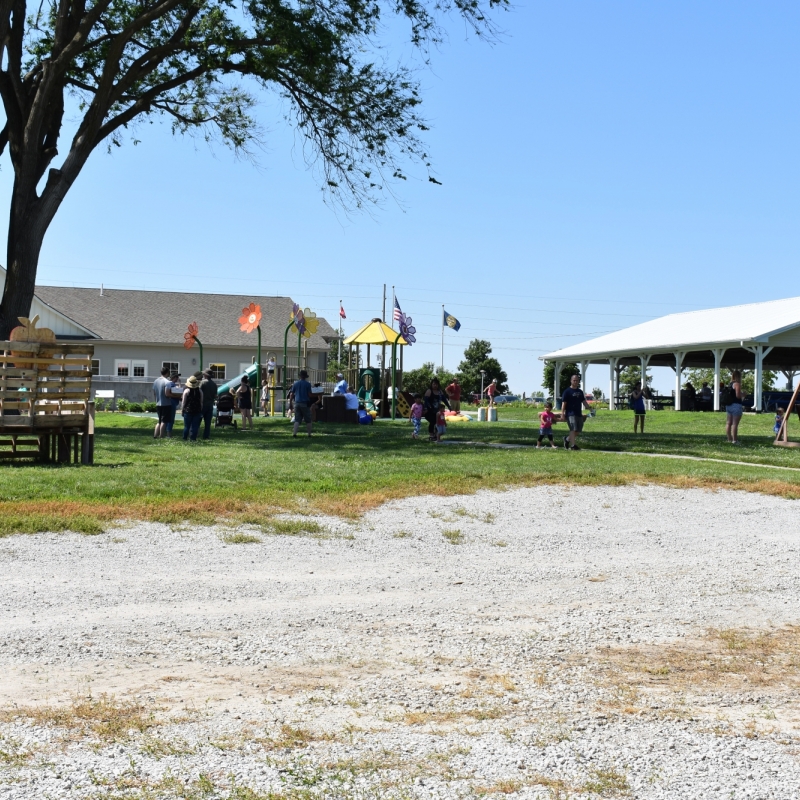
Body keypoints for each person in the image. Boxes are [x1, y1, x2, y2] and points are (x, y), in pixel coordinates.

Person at [561, 374, 591, 450]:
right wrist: (562, 414)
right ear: (571, 381)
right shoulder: (567, 391)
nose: (575, 382)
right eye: (574, 380)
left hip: (578, 413)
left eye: (577, 380)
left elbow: (584, 401)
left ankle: (567, 439)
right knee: (573, 429)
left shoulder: (580, 392)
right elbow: (564, 403)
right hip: (570, 413)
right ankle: (573, 446)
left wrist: (590, 408)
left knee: (577, 431)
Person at [290, 369, 313, 437]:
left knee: (297, 419)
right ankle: (309, 434)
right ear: (305, 377)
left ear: (300, 376)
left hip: (297, 403)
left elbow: (291, 394)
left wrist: (290, 403)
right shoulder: (308, 384)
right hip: (305, 403)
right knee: (308, 420)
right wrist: (317, 394)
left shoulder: (295, 384)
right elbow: (309, 395)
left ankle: (294, 433)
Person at [724, 370, 744, 444]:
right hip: (736, 405)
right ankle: (735, 440)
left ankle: (729, 438)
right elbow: (738, 396)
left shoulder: (730, 384)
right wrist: (744, 395)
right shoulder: (737, 384)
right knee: (735, 424)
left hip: (729, 405)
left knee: (729, 423)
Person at [181, 375, 203, 441]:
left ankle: (185, 438)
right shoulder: (200, 391)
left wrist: (182, 410)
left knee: (187, 426)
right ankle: (193, 438)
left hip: (188, 410)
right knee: (195, 426)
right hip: (197, 410)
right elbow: (201, 401)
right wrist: (201, 409)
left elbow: (183, 402)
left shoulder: (186, 391)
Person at [152, 366, 171, 439]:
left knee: (159, 421)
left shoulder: (156, 381)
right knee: (164, 421)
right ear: (167, 373)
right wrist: (174, 395)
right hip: (166, 403)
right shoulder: (167, 382)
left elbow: (154, 393)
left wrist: (156, 400)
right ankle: (161, 435)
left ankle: (155, 435)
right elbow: (167, 394)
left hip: (158, 403)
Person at [199, 370, 217, 440]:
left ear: (205, 375)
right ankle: (206, 436)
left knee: (198, 420)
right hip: (210, 404)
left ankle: (195, 434)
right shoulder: (214, 384)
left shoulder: (202, 383)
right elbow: (215, 395)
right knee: (208, 422)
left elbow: (199, 392)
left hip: (202, 404)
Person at [166, 372, 182, 437]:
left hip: (171, 403)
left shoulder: (172, 384)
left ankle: (167, 431)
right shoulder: (171, 384)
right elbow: (179, 391)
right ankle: (168, 433)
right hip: (172, 403)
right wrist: (179, 383)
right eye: (177, 377)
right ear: (174, 378)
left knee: (169, 418)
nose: (178, 378)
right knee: (171, 418)